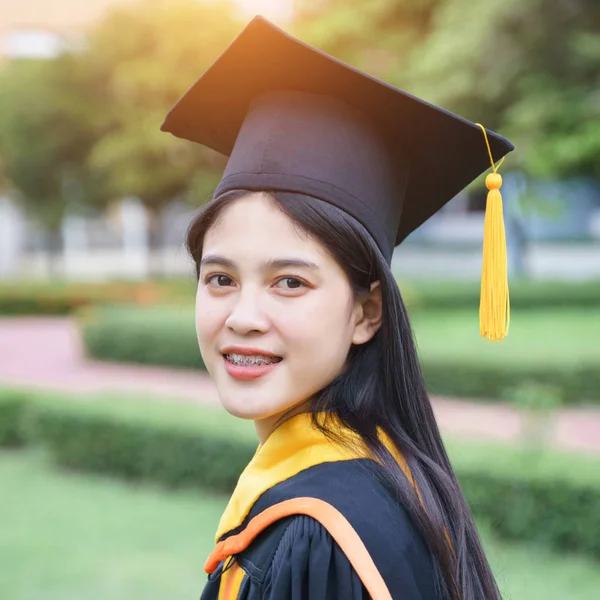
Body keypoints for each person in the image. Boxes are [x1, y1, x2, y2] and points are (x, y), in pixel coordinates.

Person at [161, 15, 514, 600]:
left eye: (290, 282)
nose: (243, 316)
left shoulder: (318, 535)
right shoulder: (394, 475)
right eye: (220, 277)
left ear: (366, 312)